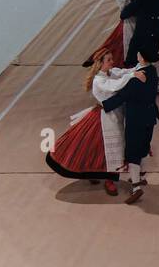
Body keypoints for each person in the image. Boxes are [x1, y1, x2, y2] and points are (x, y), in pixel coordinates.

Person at [47, 50, 144, 197]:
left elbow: (123, 72)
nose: (112, 62)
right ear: (100, 64)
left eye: (111, 59)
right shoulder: (99, 80)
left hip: (113, 115)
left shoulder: (110, 72)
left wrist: (141, 66)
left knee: (97, 149)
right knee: (106, 150)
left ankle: (94, 173)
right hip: (105, 119)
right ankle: (108, 180)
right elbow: (114, 85)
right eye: (109, 60)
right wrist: (132, 75)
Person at [99, 45, 159, 206]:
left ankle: (136, 187)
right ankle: (140, 177)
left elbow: (122, 96)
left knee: (133, 152)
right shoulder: (153, 72)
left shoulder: (136, 80)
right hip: (150, 117)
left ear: (141, 57)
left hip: (137, 120)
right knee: (143, 146)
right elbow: (129, 73)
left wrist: (105, 105)